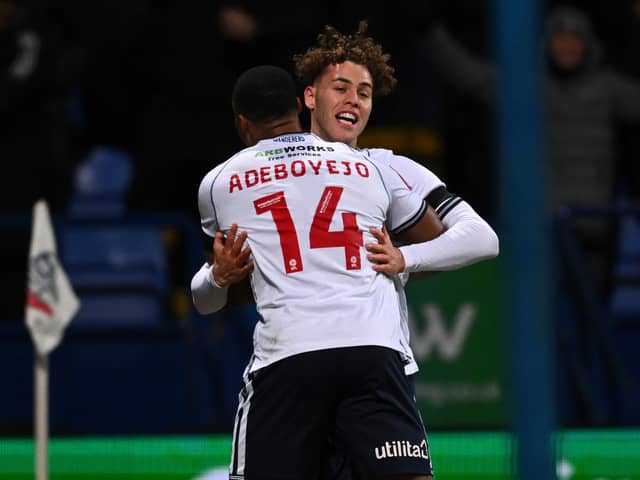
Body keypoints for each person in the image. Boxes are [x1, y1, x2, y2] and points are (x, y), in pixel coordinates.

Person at [199, 64, 453, 479]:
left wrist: (223, 279)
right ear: (301, 104)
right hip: (372, 349)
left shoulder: (220, 181)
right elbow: (435, 239)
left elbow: (231, 279)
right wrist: (401, 263)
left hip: (287, 355)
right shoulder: (365, 164)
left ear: (241, 122)